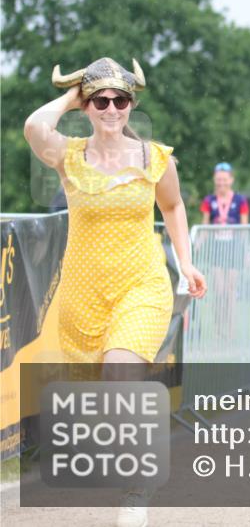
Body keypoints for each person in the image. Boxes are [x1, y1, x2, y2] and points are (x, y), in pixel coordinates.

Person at [24, 57, 207, 527]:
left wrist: (185, 262)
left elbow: (174, 206)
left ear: (131, 105)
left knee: (120, 371)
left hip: (141, 285)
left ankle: (135, 491)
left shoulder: (153, 158)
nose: (111, 109)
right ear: (89, 107)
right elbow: (32, 125)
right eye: (101, 100)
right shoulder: (69, 154)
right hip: (83, 293)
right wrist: (72, 93)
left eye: (120, 100)